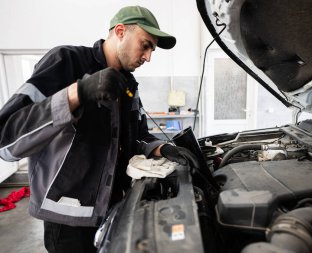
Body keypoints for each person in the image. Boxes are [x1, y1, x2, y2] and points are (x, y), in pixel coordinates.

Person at [0, 5, 197, 253]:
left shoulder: (128, 84)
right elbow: (6, 140)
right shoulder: (65, 62)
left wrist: (162, 148)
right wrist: (77, 93)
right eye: (145, 45)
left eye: (152, 50)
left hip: (116, 212)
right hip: (68, 225)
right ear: (121, 31)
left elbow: (137, 138)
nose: (148, 57)